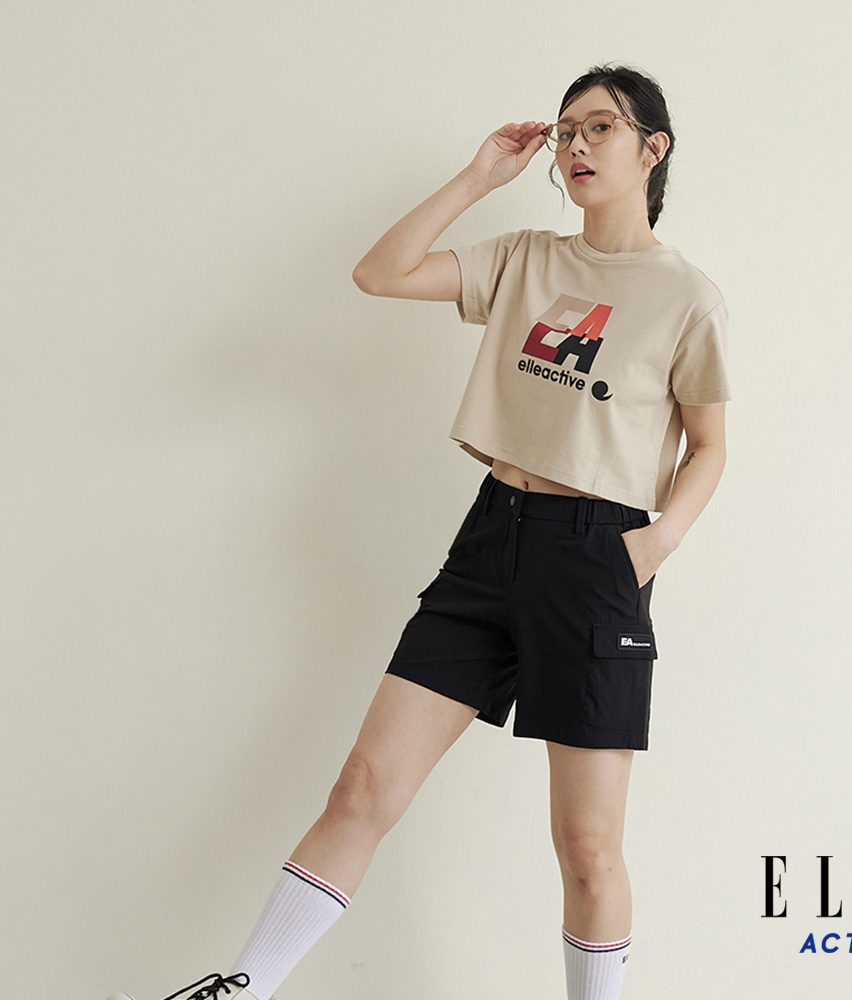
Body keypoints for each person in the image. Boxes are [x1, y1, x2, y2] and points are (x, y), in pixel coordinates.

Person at [107, 62, 731, 1000]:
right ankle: (243, 989)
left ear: (654, 148)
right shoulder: (524, 258)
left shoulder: (687, 296)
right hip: (491, 541)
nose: (575, 145)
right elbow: (381, 273)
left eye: (599, 127)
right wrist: (479, 176)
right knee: (363, 786)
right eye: (566, 131)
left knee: (588, 847)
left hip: (598, 556)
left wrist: (652, 546)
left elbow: (709, 447)